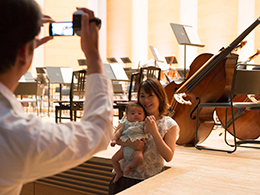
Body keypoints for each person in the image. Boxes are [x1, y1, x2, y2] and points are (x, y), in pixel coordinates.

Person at [0, 1, 113, 195]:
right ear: (23, 53)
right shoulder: (17, 136)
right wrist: (93, 55)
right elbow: (98, 131)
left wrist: (20, 51)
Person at [109, 78, 180, 194]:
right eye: (142, 96)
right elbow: (115, 138)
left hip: (150, 180)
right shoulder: (131, 116)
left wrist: (154, 132)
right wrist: (129, 143)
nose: (146, 100)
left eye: (150, 96)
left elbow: (168, 156)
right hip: (124, 176)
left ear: (160, 96)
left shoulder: (169, 124)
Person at [111, 101, 148, 183]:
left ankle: (130, 167)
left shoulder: (142, 124)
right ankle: (118, 173)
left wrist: (149, 125)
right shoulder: (125, 123)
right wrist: (114, 139)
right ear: (127, 116)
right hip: (124, 148)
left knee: (139, 158)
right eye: (133, 113)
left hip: (136, 149)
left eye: (139, 113)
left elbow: (147, 131)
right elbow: (119, 132)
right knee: (114, 159)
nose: (136, 115)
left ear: (144, 116)